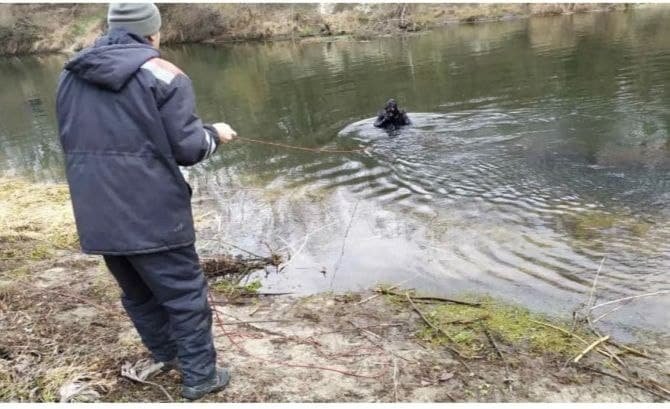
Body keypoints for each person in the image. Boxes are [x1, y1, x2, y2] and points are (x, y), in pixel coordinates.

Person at [55, 3, 235, 400]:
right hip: (153, 214)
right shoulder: (164, 74)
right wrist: (214, 134)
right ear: (152, 31)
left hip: (96, 213)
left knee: (137, 293)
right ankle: (200, 376)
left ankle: (169, 355)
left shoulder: (70, 73)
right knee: (186, 297)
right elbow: (188, 148)